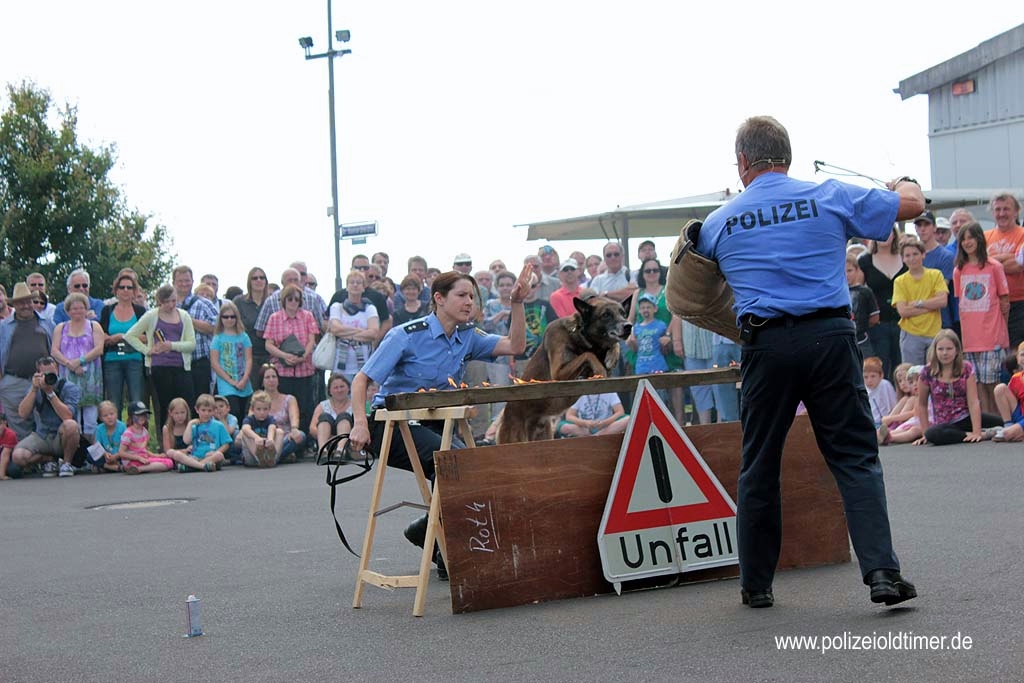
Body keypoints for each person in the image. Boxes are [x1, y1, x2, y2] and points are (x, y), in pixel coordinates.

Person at [693, 115, 922, 608]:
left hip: (764, 346)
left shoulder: (720, 220)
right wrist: (902, 183)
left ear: (741, 163)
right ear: (789, 156)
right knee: (855, 457)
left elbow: (691, 281)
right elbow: (914, 205)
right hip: (830, 339)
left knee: (759, 465)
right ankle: (882, 572)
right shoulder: (829, 195)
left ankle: (756, 584)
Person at [347, 266, 532, 579]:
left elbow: (515, 346)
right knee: (451, 461)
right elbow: (361, 379)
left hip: (437, 425)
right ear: (438, 298)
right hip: (392, 426)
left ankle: (431, 536)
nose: (469, 302)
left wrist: (516, 303)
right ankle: (443, 545)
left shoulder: (467, 337)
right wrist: (359, 423)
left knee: (469, 464)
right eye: (461, 295)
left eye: (472, 296)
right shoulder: (405, 336)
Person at [954, 222, 1010, 415]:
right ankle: (986, 423)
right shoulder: (958, 271)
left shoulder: (994, 267)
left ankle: (999, 420)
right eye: (963, 239)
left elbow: (1004, 301)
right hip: (970, 339)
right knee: (976, 384)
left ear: (980, 239)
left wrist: (1001, 330)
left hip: (992, 336)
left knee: (992, 382)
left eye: (971, 237)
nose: (967, 242)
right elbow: (961, 304)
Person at [124, 285, 196, 427]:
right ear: (160, 302)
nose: (171, 305)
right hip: (160, 367)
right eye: (167, 302)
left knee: (187, 405)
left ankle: (187, 439)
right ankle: (166, 441)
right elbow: (130, 335)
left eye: (174, 301)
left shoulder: (184, 316)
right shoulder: (152, 315)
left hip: (181, 366)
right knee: (165, 406)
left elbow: (191, 344)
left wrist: (172, 345)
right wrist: (147, 350)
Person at [915, 329, 1002, 446]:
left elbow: (973, 401)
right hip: (944, 423)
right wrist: (924, 434)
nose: (944, 353)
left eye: (949, 349)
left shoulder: (966, 368)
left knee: (1004, 422)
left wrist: (976, 432)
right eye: (940, 349)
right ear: (935, 351)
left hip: (965, 417)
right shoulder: (927, 371)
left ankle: (979, 432)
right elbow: (922, 404)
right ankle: (969, 435)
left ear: (956, 350)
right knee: (932, 434)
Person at [0, 282, 56, 439]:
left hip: (42, 379)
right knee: (19, 422)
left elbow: (54, 349)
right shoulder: (3, 327)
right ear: (14, 305)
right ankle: (23, 459)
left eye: (28, 301)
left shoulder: (46, 323)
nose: (25, 305)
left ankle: (44, 458)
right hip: (13, 381)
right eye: (20, 302)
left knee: (44, 420)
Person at [263, 284, 319, 442]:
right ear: (284, 300)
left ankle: (305, 441)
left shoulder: (307, 316)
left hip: (304, 369)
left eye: (296, 299)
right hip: (283, 370)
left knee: (305, 405)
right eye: (290, 299)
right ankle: (285, 438)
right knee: (284, 406)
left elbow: (311, 340)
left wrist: (303, 356)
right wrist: (284, 355)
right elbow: (268, 344)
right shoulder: (275, 318)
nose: (293, 302)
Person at [9, 356, 81, 478]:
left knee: (71, 425)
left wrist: (50, 393)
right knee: (18, 456)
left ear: (57, 370)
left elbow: (68, 416)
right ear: (38, 374)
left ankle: (66, 463)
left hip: (61, 434)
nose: (49, 377)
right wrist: (33, 389)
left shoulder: (69, 387)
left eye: (52, 373)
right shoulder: (35, 388)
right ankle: (49, 460)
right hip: (43, 434)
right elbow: (22, 414)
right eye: (45, 374)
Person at [50, 292, 105, 437]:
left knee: (90, 420)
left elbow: (99, 348)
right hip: (67, 375)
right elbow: (54, 351)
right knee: (70, 416)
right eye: (74, 308)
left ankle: (91, 454)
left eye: (81, 307)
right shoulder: (60, 328)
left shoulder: (94, 326)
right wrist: (70, 364)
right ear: (68, 311)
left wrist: (80, 361)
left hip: (90, 377)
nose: (78, 311)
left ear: (86, 309)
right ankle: (73, 454)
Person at [858, 225, 906, 378]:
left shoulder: (905, 256)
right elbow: (858, 292)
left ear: (895, 234)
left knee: (902, 367)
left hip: (904, 321)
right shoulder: (864, 260)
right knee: (881, 367)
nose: (884, 234)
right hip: (877, 325)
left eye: (888, 230)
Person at [892, 237, 947, 366]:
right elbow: (903, 311)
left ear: (923, 255)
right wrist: (931, 305)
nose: (912, 258)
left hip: (934, 333)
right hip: (911, 334)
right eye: (907, 255)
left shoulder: (936, 275)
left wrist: (918, 303)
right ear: (903, 258)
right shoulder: (900, 281)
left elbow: (943, 301)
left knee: (935, 373)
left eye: (915, 254)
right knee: (912, 374)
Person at [100, 272, 147, 417]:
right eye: (122, 287)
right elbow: (101, 335)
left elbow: (146, 337)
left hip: (135, 359)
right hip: (112, 360)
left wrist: (123, 337)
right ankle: (116, 436)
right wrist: (113, 338)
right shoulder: (107, 310)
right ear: (116, 290)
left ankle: (138, 436)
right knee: (114, 402)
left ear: (134, 291)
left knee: (137, 401)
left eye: (129, 287)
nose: (125, 290)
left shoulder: (140, 311)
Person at [173, 266, 218, 401]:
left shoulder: (204, 303)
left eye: (187, 280)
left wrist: (188, 320)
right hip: (175, 362)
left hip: (199, 362)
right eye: (180, 281)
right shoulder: (167, 304)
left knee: (201, 404)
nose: (184, 284)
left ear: (193, 281)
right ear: (174, 282)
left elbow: (217, 328)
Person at [985, 193, 1024, 348]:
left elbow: (1019, 265)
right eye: (997, 209)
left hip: (1020, 301)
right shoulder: (985, 236)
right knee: (997, 347)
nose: (1001, 214)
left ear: (1016, 211)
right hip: (994, 303)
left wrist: (993, 260)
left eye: (1006, 209)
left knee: (1018, 348)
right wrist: (1010, 257)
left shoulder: (1022, 234)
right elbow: (983, 267)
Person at [327, 271, 379, 382]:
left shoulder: (370, 308)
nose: (355, 285)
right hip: (340, 366)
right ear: (347, 286)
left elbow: (373, 333)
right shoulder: (337, 307)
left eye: (358, 282)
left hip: (363, 365)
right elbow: (335, 329)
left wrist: (345, 334)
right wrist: (361, 331)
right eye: (352, 282)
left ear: (363, 287)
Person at [210, 300, 253, 419]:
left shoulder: (244, 336)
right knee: (233, 412)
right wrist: (231, 381)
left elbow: (249, 359)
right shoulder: (217, 338)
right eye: (226, 317)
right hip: (226, 383)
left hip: (243, 382)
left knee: (244, 415)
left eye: (232, 317)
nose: (229, 320)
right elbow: (214, 363)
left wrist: (244, 379)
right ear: (221, 319)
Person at [255, 363, 305, 461]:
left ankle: (271, 457)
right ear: (262, 382)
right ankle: (278, 457)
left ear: (278, 380)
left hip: (285, 439)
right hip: (264, 439)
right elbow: (251, 420)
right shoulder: (256, 400)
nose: (271, 380)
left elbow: (294, 417)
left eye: (274, 377)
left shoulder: (289, 399)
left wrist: (294, 429)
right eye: (267, 377)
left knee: (300, 435)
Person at [234, 267, 271, 388]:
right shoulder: (239, 302)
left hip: (270, 354)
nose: (259, 280)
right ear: (249, 281)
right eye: (255, 278)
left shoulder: (272, 301)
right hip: (247, 355)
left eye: (262, 277)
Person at [175, 394, 230, 472]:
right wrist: (190, 424)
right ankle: (202, 466)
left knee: (219, 455)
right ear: (197, 410)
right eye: (203, 410)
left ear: (214, 410)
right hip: (195, 456)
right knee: (177, 454)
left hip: (211, 457)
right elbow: (186, 441)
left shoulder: (218, 425)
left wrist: (216, 451)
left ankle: (192, 467)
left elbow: (226, 444)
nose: (206, 413)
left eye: (209, 411)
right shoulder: (194, 425)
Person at [878, 365, 928, 446]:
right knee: (899, 430)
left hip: (923, 423)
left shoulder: (923, 398)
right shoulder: (910, 398)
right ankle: (881, 435)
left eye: (918, 381)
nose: (915, 384)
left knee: (913, 430)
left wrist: (891, 418)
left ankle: (890, 438)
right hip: (913, 422)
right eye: (911, 382)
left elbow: (914, 413)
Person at [118, 401, 173, 474]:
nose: (142, 417)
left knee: (169, 462)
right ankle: (139, 469)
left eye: (144, 415)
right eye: (139, 415)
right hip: (131, 461)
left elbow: (144, 450)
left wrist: (156, 455)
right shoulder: (128, 433)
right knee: (167, 464)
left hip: (143, 458)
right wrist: (138, 458)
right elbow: (121, 453)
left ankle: (141, 468)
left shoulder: (144, 432)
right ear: (131, 416)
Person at [846, 252, 879, 359]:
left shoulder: (865, 291)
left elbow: (874, 318)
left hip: (861, 340)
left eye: (849, 271)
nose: (846, 274)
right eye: (843, 271)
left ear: (857, 270)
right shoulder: (836, 292)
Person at [310, 373, 353, 454]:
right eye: (336, 388)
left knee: (344, 417)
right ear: (329, 390)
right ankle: (323, 451)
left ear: (348, 388)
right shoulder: (322, 406)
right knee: (324, 418)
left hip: (349, 441)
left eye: (342, 387)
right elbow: (312, 428)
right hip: (327, 441)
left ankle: (340, 450)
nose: (339, 390)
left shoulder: (355, 405)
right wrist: (330, 437)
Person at [239, 390, 282, 468]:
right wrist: (257, 438)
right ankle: (258, 458)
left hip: (267, 452)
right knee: (243, 432)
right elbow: (245, 428)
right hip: (252, 456)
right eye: (258, 409)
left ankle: (273, 458)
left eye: (265, 409)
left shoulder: (270, 419)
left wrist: (270, 439)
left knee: (279, 432)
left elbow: (272, 427)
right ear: (252, 409)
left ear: (269, 409)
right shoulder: (249, 419)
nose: (262, 412)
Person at [556, 392, 629, 437]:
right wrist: (585, 423)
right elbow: (569, 416)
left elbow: (620, 412)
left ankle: (596, 436)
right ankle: (594, 436)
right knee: (562, 426)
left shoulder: (609, 391)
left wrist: (604, 423)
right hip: (585, 429)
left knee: (628, 419)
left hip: (606, 427)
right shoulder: (579, 393)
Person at [992, 342, 1024, 442]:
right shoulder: (1016, 378)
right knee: (1000, 388)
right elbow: (1010, 399)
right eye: (1022, 355)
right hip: (1020, 415)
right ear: (1017, 359)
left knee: (1007, 435)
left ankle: (1014, 431)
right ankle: (1008, 425)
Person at [94, 400, 126, 473]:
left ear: (116, 414)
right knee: (90, 455)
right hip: (106, 456)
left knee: (131, 453)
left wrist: (116, 456)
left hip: (120, 455)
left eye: (112, 414)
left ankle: (103, 467)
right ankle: (113, 467)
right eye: (105, 415)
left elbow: (127, 445)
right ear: (101, 418)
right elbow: (97, 445)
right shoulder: (99, 429)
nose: (109, 417)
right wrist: (105, 454)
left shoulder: (122, 427)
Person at [863, 356, 896, 428]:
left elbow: (893, 405)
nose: (869, 380)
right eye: (866, 377)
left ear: (881, 375)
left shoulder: (885, 385)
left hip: (884, 422)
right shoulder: (863, 388)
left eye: (873, 376)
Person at [161, 397, 192, 461]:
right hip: (175, 457)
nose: (180, 416)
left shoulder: (191, 426)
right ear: (171, 413)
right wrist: (184, 451)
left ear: (187, 412)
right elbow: (167, 451)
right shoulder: (166, 428)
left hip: (190, 456)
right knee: (170, 452)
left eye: (182, 412)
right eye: (176, 413)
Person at [0, 412, 17, 479]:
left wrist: (2, 475)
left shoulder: (10, 434)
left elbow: (5, 456)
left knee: (14, 470)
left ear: (5, 423)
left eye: (0, 424)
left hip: (8, 460)